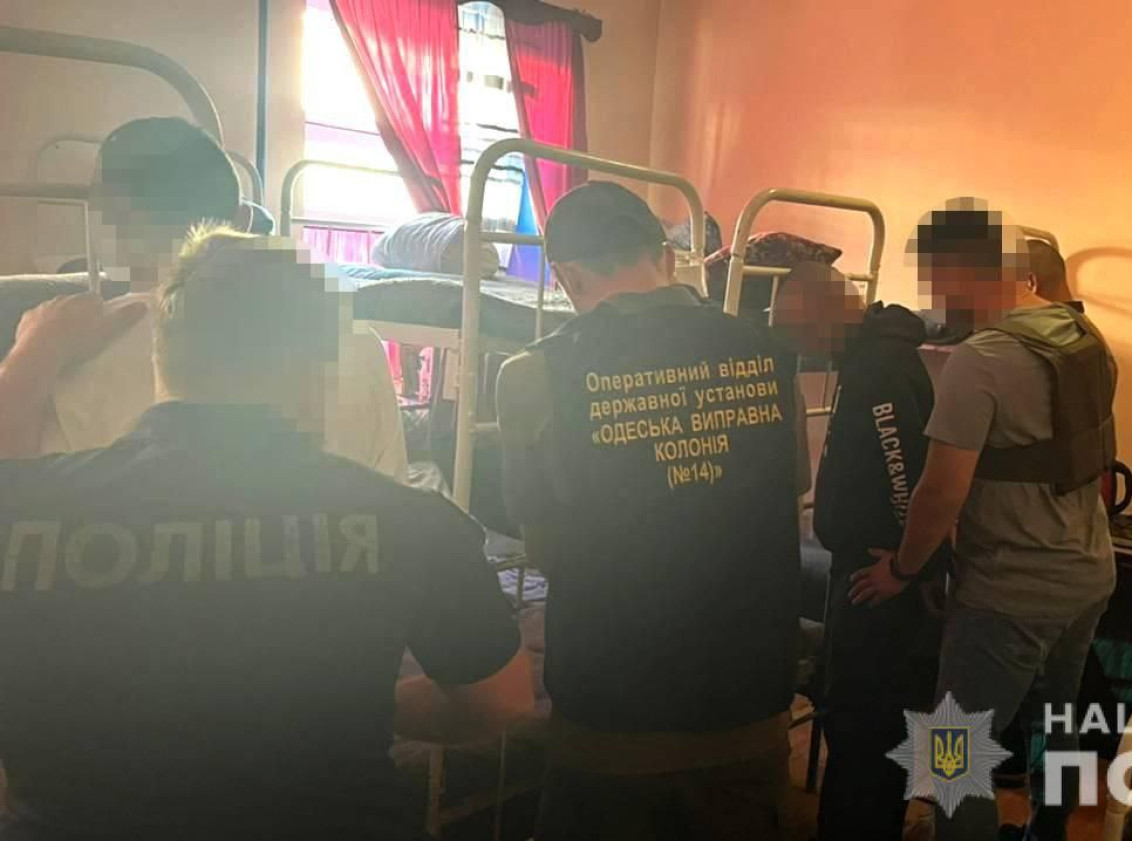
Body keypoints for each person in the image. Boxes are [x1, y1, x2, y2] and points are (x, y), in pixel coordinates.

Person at [0, 228, 534, 841]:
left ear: (163, 354)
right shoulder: (411, 523)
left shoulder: (23, 508)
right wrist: (360, 701)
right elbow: (505, 700)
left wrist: (34, 355)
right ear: (320, 367)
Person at [496, 181, 809, 840]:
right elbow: (790, 492)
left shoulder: (534, 373)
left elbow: (546, 550)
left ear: (567, 277)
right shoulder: (772, 354)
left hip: (612, 718)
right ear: (666, 258)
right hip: (750, 707)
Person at [850, 199, 1118, 841]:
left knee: (952, 753)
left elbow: (941, 490)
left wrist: (902, 569)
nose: (938, 302)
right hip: (1088, 573)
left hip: (1011, 592)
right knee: (1058, 721)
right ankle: (1046, 833)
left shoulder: (983, 358)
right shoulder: (1084, 336)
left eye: (940, 283)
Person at [0, 117, 406, 479]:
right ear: (241, 221)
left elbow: (18, 509)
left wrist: (34, 354)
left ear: (105, 224)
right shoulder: (359, 343)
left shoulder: (74, 357)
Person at [772, 262, 945, 840]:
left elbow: (906, 476)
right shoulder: (872, 359)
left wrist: (903, 566)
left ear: (827, 312)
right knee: (865, 721)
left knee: (863, 722)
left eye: (799, 330)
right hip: (875, 570)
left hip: (876, 579)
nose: (800, 347)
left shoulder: (879, 372)